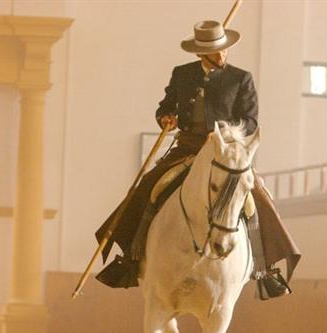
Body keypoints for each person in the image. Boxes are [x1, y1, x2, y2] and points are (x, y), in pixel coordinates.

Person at [95, 20, 300, 299]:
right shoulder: (182, 74)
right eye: (216, 51)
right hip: (188, 148)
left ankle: (265, 270)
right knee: (149, 187)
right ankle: (130, 258)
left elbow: (250, 120)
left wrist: (225, 133)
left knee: (257, 196)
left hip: (225, 152)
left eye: (224, 49)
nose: (222, 54)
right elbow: (166, 106)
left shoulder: (241, 78)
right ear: (201, 54)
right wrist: (165, 118)